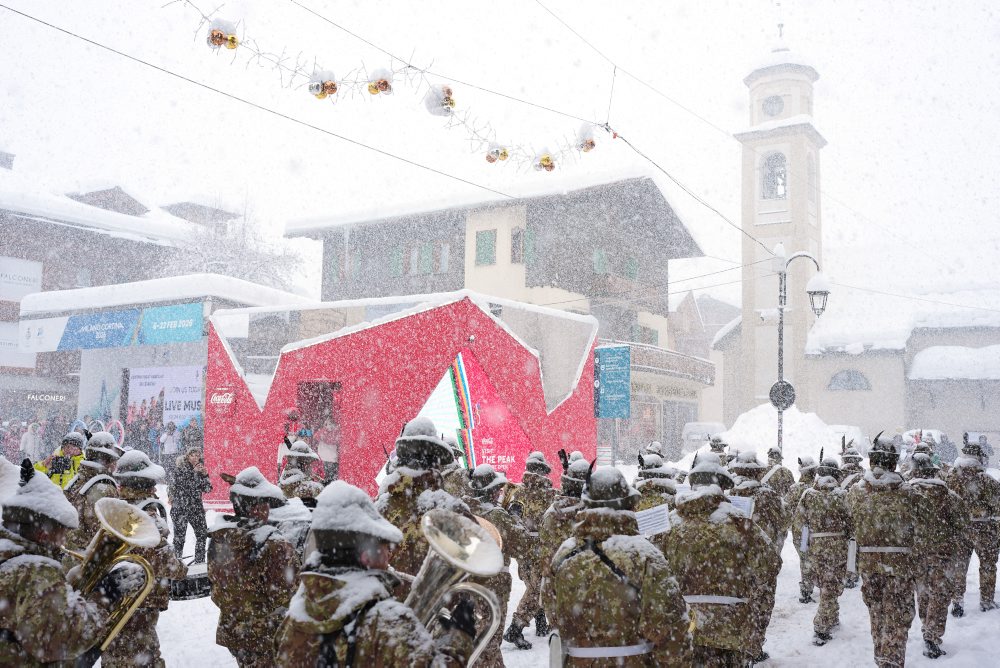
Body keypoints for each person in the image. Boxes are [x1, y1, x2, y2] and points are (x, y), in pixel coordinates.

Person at [275, 480, 477, 666]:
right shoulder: (386, 620)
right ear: (366, 556)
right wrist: (459, 636)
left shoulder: (296, 617)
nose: (389, 552)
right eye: (384, 545)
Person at [549, 466, 693, 665]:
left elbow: (554, 615)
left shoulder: (563, 555)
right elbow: (671, 629)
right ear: (628, 504)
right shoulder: (645, 554)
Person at [658, 453, 778, 666]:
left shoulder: (668, 525)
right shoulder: (740, 523)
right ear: (724, 486)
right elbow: (769, 567)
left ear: (693, 484)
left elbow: (652, 576)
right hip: (730, 628)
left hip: (680, 626)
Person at [0, 460, 109, 664]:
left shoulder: (7, 552)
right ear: (44, 533)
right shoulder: (35, 571)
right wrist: (103, 601)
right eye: (62, 533)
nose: (63, 541)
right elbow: (62, 639)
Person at [375, 417, 476, 599]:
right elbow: (476, 566)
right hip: (437, 617)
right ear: (437, 461)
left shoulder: (380, 508)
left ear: (402, 459)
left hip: (386, 614)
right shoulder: (453, 509)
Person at [103, 451, 188, 668]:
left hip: (114, 597)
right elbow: (166, 564)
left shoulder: (114, 509)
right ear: (147, 486)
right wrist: (181, 569)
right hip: (139, 602)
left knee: (115, 652)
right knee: (144, 657)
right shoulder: (147, 517)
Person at [209, 466, 299, 667]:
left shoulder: (219, 538)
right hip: (267, 635)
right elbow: (286, 595)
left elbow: (216, 589)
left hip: (234, 630)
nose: (268, 509)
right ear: (256, 509)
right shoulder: (274, 544)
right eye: (265, 504)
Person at [847, 433, 920, 668]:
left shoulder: (856, 493)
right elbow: (924, 530)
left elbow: (849, 529)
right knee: (898, 616)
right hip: (900, 566)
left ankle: (882, 656)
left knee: (877, 614)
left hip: (869, 565)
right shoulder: (909, 494)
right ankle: (892, 660)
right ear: (894, 461)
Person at [464, 464, 530, 666]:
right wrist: (515, 517)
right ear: (491, 491)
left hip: (467, 581)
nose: (500, 493)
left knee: (475, 634)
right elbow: (522, 545)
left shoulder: (463, 510)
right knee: (490, 638)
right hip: (493, 584)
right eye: (498, 490)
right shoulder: (497, 515)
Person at [727, 450, 787, 662]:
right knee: (760, 606)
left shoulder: (726, 495)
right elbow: (783, 525)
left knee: (735, 605)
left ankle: (737, 646)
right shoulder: (769, 496)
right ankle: (753, 647)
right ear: (758, 472)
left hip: (732, 561)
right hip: (762, 560)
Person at [911, 453, 968, 658]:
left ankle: (926, 626)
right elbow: (962, 523)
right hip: (943, 554)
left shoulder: (907, 494)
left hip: (917, 554)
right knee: (940, 595)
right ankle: (932, 636)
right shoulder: (948, 495)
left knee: (923, 593)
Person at [796, 457, 852, 646]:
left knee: (826, 585)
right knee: (831, 585)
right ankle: (821, 627)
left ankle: (832, 617)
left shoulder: (808, 495)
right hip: (838, 548)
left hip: (816, 547)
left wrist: (804, 546)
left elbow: (799, 523)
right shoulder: (843, 495)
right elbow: (852, 524)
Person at [504, 450, 556, 647]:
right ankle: (516, 628)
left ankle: (541, 622)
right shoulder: (550, 494)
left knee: (533, 585)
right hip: (541, 549)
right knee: (536, 589)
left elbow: (513, 518)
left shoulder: (519, 493)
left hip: (524, 549)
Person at [946, 437, 1000, 615]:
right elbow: (997, 505)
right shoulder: (987, 481)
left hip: (959, 529)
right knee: (988, 565)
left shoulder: (951, 478)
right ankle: (986, 600)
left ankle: (958, 601)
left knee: (959, 565)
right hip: (984, 529)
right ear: (979, 458)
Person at [539, 456, 590, 621]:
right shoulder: (588, 515)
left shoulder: (550, 513)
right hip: (583, 588)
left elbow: (545, 551)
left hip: (554, 587)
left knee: (560, 640)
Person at [63, 431, 121, 554]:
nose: (116, 465)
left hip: (70, 552)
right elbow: (104, 532)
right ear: (107, 460)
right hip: (88, 558)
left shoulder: (78, 479)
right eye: (114, 460)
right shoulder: (104, 488)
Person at [169, 445, 212, 563]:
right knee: (179, 538)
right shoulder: (180, 469)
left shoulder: (200, 469)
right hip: (180, 508)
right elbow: (183, 486)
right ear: (187, 457)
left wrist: (205, 475)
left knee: (202, 535)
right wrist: (194, 473)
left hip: (196, 508)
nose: (195, 458)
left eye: (197, 456)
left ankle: (200, 561)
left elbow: (208, 489)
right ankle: (176, 563)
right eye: (192, 455)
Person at [786, 455, 818, 602]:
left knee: (805, 559)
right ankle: (819, 583)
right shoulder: (817, 488)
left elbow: (786, 508)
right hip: (817, 530)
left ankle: (806, 588)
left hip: (799, 530)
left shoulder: (794, 489)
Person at [441, 434, 473, 500]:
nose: (457, 458)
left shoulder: (431, 473)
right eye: (455, 455)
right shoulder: (460, 473)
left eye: (457, 455)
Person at [312, 417, 341, 483]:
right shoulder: (335, 434)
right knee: (331, 479)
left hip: (326, 459)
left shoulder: (322, 432)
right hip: (330, 459)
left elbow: (315, 437)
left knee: (325, 478)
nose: (329, 426)